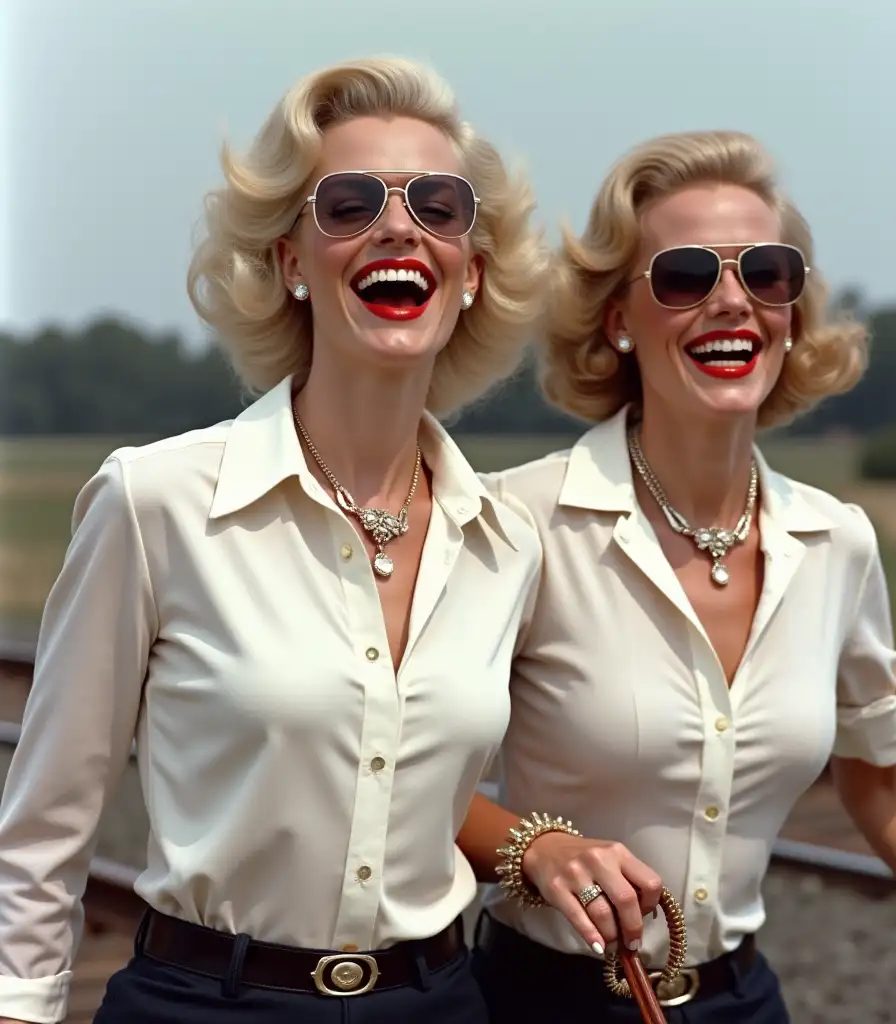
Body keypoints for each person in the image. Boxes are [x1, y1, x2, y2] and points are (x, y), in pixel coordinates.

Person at [0, 56, 547, 1024]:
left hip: (440, 1003)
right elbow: (44, 831)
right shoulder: (156, 499)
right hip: (201, 1003)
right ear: (291, 262)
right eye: (346, 203)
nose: (397, 226)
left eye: (437, 204)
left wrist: (545, 846)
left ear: (473, 270)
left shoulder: (505, 536)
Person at [457, 130, 896, 1023]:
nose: (732, 302)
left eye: (766, 273)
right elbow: (401, 775)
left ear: (792, 311)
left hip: (741, 1001)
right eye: (686, 276)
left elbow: (878, 779)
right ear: (617, 318)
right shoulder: (520, 523)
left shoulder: (837, 542)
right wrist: (537, 847)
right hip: (539, 1000)